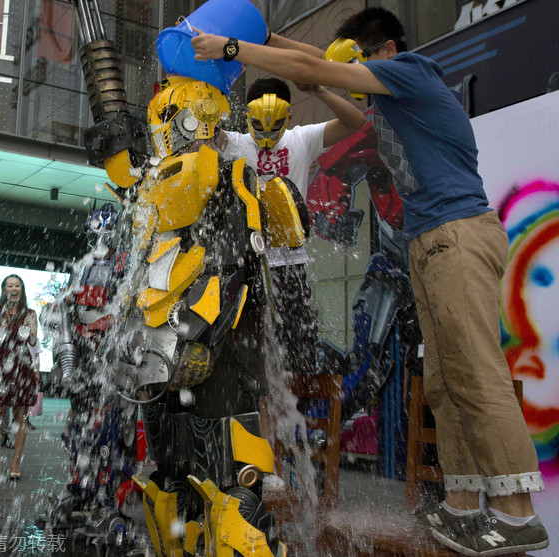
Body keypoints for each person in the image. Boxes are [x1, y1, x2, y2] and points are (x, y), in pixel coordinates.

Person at [192, 8, 549, 555]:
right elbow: (318, 69)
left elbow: (326, 71)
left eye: (355, 60)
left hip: (456, 235)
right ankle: (461, 504)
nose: (350, 73)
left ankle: (518, 513)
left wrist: (232, 51)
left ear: (378, 51)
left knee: (476, 370)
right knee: (445, 380)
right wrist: (264, 37)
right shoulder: (393, 107)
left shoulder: (409, 70)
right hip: (429, 244)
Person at [221, 76, 365, 374]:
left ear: (288, 115)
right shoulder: (235, 143)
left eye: (275, 124)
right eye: (259, 123)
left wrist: (320, 87)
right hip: (247, 259)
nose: (267, 133)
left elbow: (355, 121)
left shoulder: (301, 138)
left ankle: (296, 408)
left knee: (296, 347)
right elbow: (200, 133)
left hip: (290, 260)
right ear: (248, 115)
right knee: (246, 349)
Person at [0, 274, 39, 481]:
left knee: (21, 416)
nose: (13, 288)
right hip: (0, 365)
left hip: (22, 364)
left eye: (17, 285)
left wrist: (28, 326)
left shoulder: (30, 313)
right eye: (9, 286)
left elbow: (33, 340)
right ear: (4, 290)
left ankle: (15, 461)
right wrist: (4, 324)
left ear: (22, 289)